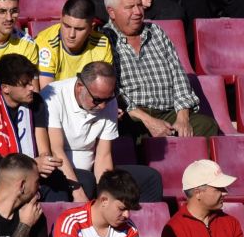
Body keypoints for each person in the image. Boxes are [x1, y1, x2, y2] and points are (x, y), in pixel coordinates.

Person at [103, 0, 221, 137]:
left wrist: (182, 118)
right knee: (128, 132)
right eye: (130, 7)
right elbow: (114, 91)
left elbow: (178, 77)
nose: (138, 12)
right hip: (135, 116)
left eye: (139, 5)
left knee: (206, 126)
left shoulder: (156, 32)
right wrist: (148, 121)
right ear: (112, 12)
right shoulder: (104, 40)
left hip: (169, 113)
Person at [43, 61, 163, 204]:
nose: (103, 106)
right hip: (62, 172)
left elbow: (103, 155)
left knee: (151, 178)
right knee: (86, 181)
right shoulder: (54, 96)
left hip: (92, 169)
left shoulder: (109, 102)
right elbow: (56, 151)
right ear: (80, 87)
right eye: (97, 100)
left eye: (108, 99)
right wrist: (77, 191)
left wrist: (105, 194)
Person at [0, 54, 71, 198]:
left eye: (31, 81)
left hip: (33, 169)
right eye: (25, 84)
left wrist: (47, 162)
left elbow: (43, 149)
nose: (32, 88)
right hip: (0, 173)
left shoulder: (36, 101)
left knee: (60, 181)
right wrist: (31, 165)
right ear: (5, 88)